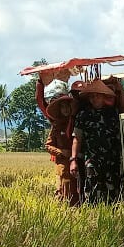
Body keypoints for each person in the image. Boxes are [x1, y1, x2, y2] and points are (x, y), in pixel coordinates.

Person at [69, 79, 123, 204]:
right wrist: (73, 160)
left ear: (103, 97)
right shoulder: (83, 115)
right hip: (92, 160)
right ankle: (92, 213)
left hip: (112, 160)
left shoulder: (113, 113)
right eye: (91, 96)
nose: (94, 99)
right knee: (91, 192)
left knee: (112, 193)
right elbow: (77, 138)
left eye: (97, 96)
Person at [36, 69, 81, 205]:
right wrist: (62, 152)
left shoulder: (76, 122)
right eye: (63, 107)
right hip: (62, 166)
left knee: (77, 193)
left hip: (77, 164)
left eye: (67, 106)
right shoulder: (56, 125)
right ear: (59, 110)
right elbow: (48, 145)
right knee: (63, 193)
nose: (66, 109)